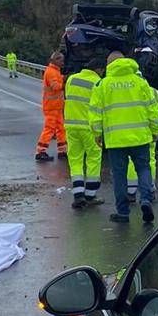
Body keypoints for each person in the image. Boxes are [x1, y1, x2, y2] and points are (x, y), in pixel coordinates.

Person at [90, 52, 158, 223]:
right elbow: (153, 109)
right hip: (140, 137)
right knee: (143, 169)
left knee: (119, 176)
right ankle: (146, 200)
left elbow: (95, 112)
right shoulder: (140, 82)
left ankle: (123, 212)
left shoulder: (102, 84)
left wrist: (97, 134)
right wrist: (155, 130)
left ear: (109, 65)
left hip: (115, 140)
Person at [64, 63, 104, 209]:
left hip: (71, 126)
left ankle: (78, 194)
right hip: (89, 128)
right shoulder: (98, 82)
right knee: (93, 158)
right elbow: (99, 106)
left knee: (75, 159)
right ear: (98, 69)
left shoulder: (72, 79)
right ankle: (90, 195)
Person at [126, 84, 158, 201]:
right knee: (149, 160)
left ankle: (131, 192)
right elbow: (157, 111)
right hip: (148, 132)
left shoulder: (128, 91)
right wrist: (156, 130)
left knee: (131, 159)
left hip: (132, 131)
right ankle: (150, 190)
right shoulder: (153, 91)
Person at [35, 51, 67, 161]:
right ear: (55, 60)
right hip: (51, 107)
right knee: (49, 129)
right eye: (61, 60)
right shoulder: (51, 72)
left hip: (56, 106)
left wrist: (63, 78)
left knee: (61, 129)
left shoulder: (55, 71)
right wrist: (65, 82)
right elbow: (56, 86)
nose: (63, 62)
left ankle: (62, 150)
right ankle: (40, 152)